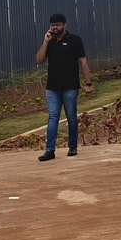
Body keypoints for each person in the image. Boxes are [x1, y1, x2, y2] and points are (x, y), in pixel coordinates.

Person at [35, 13, 92, 161]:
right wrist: (45, 41)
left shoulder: (74, 40)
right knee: (53, 117)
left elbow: (83, 62)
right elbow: (39, 59)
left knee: (71, 116)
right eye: (52, 25)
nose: (55, 27)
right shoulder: (50, 41)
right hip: (52, 87)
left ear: (64, 25)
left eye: (58, 25)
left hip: (70, 86)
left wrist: (88, 83)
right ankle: (50, 150)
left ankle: (72, 146)